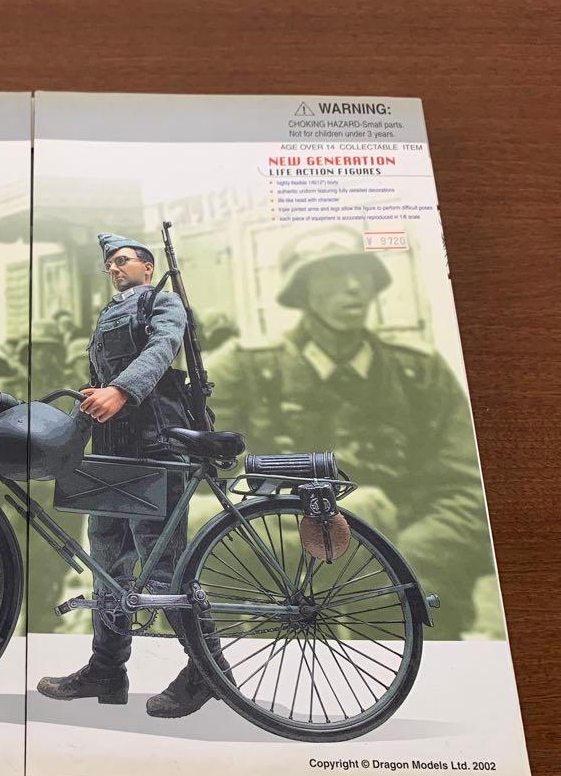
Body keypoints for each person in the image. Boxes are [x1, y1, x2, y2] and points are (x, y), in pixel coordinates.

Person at [206, 225, 496, 639]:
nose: (354, 287)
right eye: (332, 275)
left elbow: (466, 492)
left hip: (403, 577)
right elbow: (207, 483)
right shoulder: (244, 371)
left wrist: (392, 565)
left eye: (362, 274)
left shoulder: (419, 374)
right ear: (303, 291)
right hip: (273, 580)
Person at [37, 232, 223, 717]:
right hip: (110, 452)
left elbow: (163, 347)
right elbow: (101, 379)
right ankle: (106, 669)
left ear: (147, 266)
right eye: (110, 265)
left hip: (156, 445)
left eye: (123, 261)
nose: (115, 269)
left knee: (165, 571)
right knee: (107, 565)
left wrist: (119, 390)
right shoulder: (108, 315)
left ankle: (209, 671)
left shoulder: (163, 302)